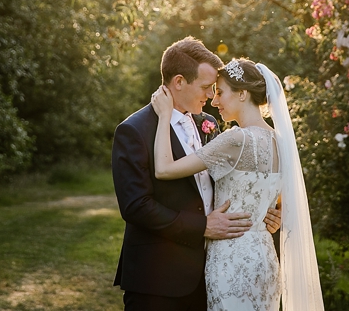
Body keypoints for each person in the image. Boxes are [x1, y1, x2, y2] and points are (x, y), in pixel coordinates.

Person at [111, 38, 280, 311]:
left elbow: (235, 182)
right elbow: (136, 206)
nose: (210, 98)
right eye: (205, 88)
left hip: (214, 273)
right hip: (158, 279)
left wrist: (267, 211)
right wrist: (202, 226)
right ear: (179, 81)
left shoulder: (209, 124)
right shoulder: (135, 129)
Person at [150, 58, 324, 311]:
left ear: (242, 94)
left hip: (230, 260)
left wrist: (165, 116)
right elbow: (282, 203)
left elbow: (164, 169)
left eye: (220, 93)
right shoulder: (281, 142)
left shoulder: (236, 139)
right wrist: (272, 216)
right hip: (264, 257)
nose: (214, 100)